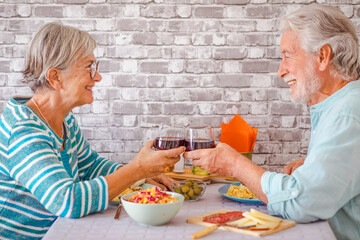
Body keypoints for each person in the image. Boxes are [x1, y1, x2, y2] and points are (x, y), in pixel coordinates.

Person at [183, 4, 360, 240]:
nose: (280, 70)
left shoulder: (348, 112)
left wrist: (234, 165)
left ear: (322, 56)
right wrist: (317, 165)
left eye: (287, 56)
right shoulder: (340, 106)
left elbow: (301, 203)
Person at [0, 22, 185, 239]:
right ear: (55, 77)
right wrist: (137, 170)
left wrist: (140, 177)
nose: (97, 77)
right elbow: (68, 201)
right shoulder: (24, 130)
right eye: (89, 67)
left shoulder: (63, 117)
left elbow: (90, 167)